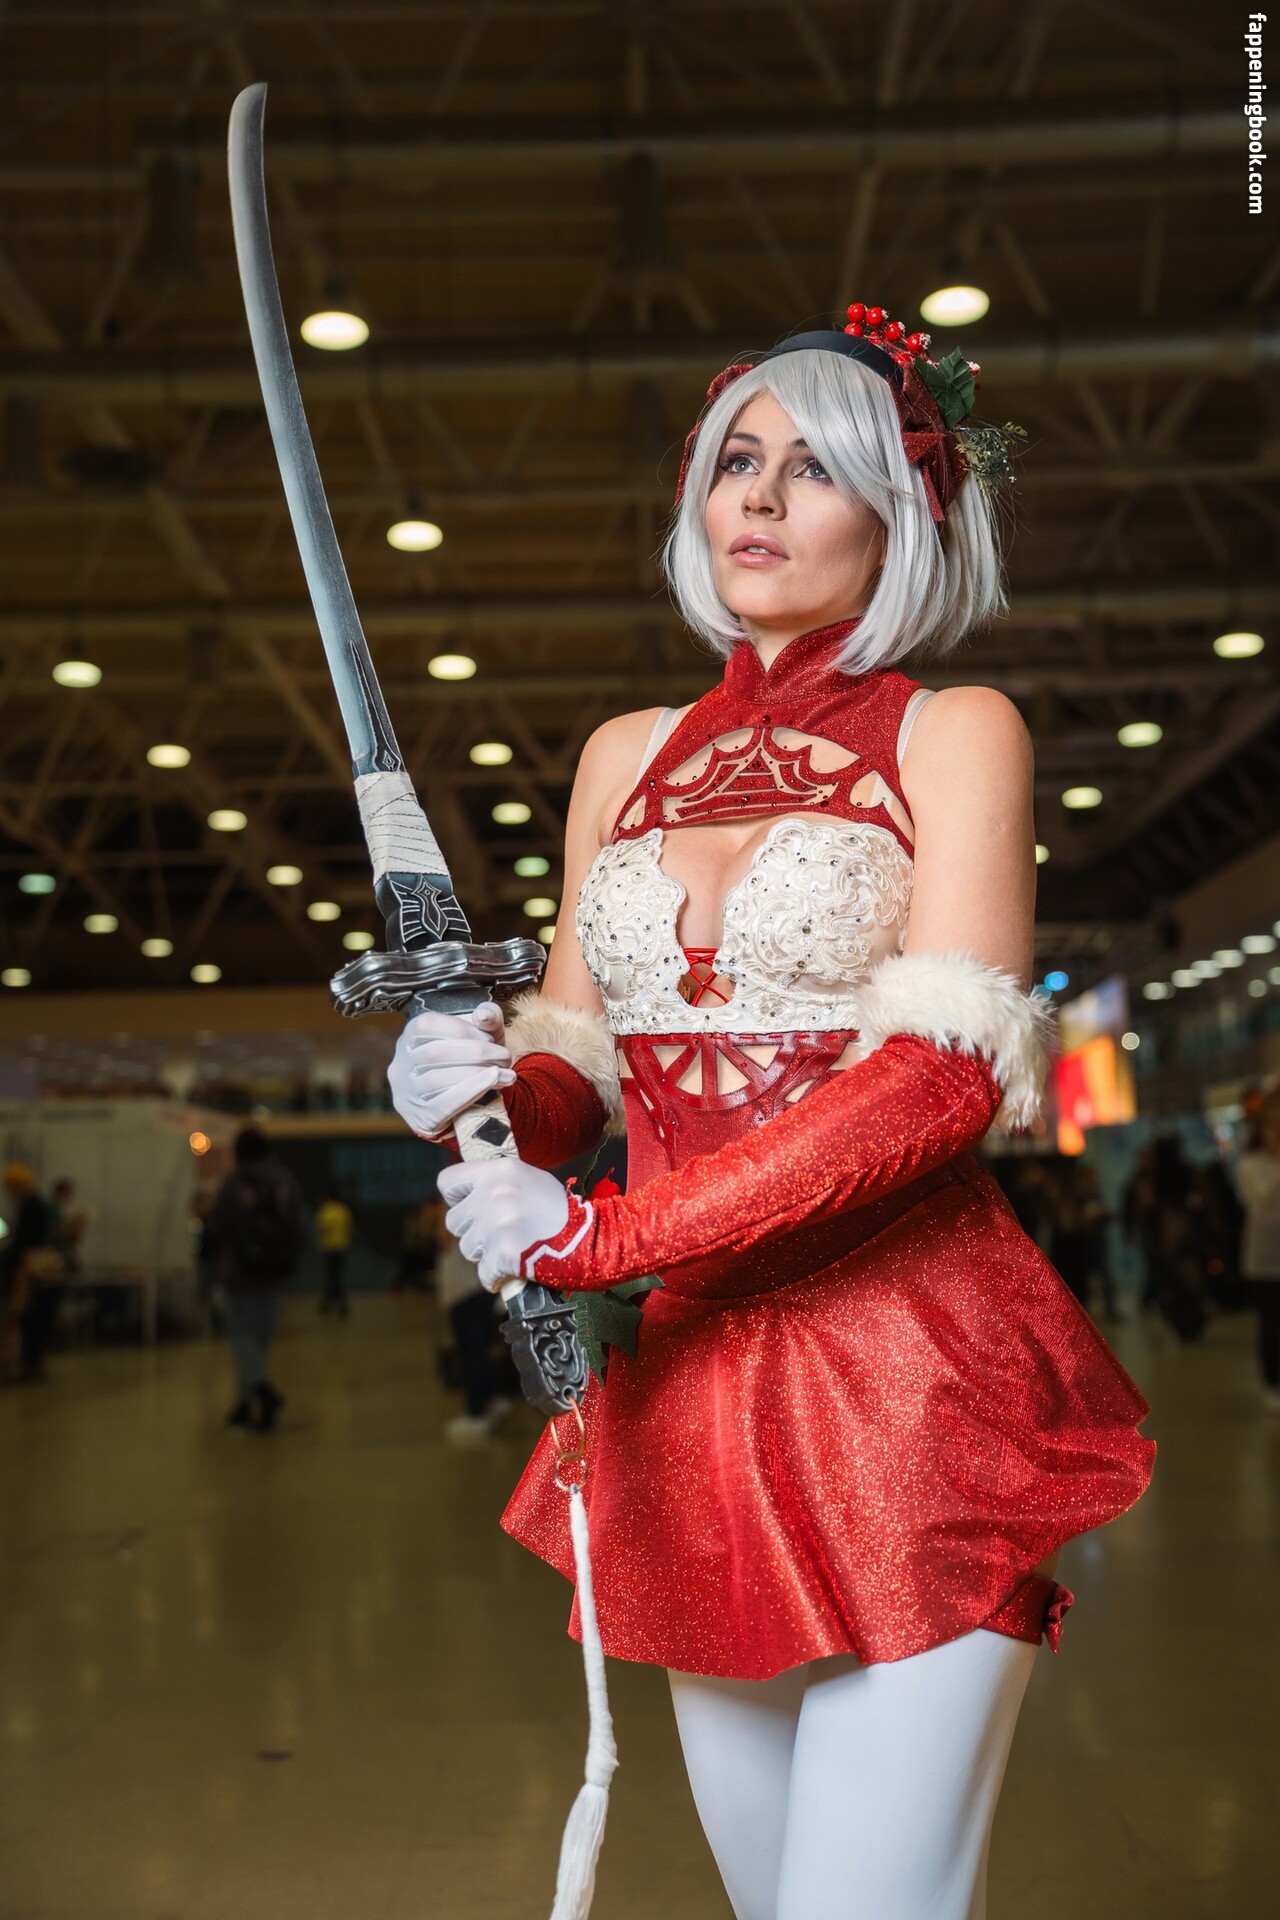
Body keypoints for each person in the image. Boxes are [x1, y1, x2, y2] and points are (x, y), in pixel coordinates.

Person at [386, 306, 1154, 1919]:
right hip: (689, 1415)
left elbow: (941, 1082)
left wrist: (602, 1235)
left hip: (912, 1394)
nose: (759, 493)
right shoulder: (625, 756)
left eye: (816, 467)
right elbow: (574, 1077)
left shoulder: (956, 732)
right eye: (737, 459)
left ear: (901, 510)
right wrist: (474, 1098)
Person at [207, 1128, 305, 1431]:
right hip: (275, 1272)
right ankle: (247, 1403)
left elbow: (217, 1223)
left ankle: (262, 1391)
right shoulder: (284, 1180)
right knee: (260, 1339)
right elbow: (297, 1225)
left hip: (240, 1271)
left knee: (242, 1336)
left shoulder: (236, 1181)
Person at [435, 1225, 511, 1444]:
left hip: (466, 1292)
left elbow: (444, 1241)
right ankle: (494, 1398)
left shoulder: (457, 1215)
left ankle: (477, 1413)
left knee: (471, 1353)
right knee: (477, 1350)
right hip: (469, 1291)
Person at [1236, 1088, 1280, 1412]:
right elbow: (1262, 1205)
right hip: (1263, 1258)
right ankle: (1272, 1383)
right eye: (1273, 1126)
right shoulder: (1250, 1165)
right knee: (1271, 1324)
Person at [0, 1164, 57, 1383]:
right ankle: (29, 1363)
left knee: (25, 1317)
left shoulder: (31, 1206)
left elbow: (26, 1242)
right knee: (30, 1318)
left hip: (28, 1270)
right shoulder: (37, 1204)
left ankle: (26, 1364)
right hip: (33, 1267)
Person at [315, 1185, 353, 1317]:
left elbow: (322, 1229)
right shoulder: (343, 1210)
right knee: (337, 1276)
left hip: (329, 1247)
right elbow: (349, 1228)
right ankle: (340, 1303)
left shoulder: (325, 1210)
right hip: (342, 1247)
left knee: (331, 1276)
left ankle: (329, 1303)